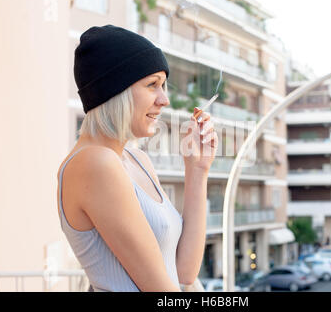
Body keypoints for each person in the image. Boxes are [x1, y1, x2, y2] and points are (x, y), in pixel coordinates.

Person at [56, 25, 218, 292]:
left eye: (163, 85)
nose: (164, 99)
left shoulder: (136, 159)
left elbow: (183, 273)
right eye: (152, 85)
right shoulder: (94, 164)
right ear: (114, 90)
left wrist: (198, 169)